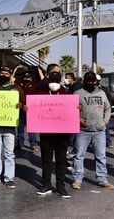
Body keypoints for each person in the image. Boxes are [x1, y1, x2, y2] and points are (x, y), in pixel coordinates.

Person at [72, 71, 114, 190]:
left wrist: (105, 121)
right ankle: (77, 179)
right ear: (84, 81)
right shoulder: (77, 93)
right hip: (83, 131)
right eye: (88, 80)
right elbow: (70, 110)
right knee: (79, 156)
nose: (91, 82)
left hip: (100, 131)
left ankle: (102, 179)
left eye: (92, 80)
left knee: (101, 156)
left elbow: (107, 108)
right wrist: (78, 118)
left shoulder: (101, 93)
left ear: (96, 81)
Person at [0, 66, 24, 188]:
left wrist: (20, 105)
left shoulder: (16, 88)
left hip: (10, 125)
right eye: (1, 73)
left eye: (6, 73)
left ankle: (9, 178)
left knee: (9, 153)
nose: (3, 75)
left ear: (10, 75)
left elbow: (24, 102)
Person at [35, 70, 71, 199]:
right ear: (48, 81)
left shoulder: (66, 94)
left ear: (60, 81)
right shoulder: (41, 93)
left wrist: (77, 108)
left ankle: (61, 187)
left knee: (61, 161)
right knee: (46, 161)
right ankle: (46, 185)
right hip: (46, 134)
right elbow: (34, 109)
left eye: (56, 81)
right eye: (52, 81)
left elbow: (71, 111)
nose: (54, 83)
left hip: (62, 135)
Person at [16, 71, 38, 151]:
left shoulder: (35, 85)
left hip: (31, 111)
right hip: (21, 110)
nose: (26, 79)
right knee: (20, 129)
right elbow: (12, 78)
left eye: (28, 77)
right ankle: (20, 144)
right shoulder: (19, 85)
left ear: (31, 78)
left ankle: (33, 144)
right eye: (25, 77)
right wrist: (17, 69)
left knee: (31, 129)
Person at [96, 74, 114, 149]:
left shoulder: (104, 89)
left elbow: (109, 99)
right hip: (93, 112)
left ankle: (108, 142)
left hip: (102, 111)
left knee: (105, 127)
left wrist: (108, 110)